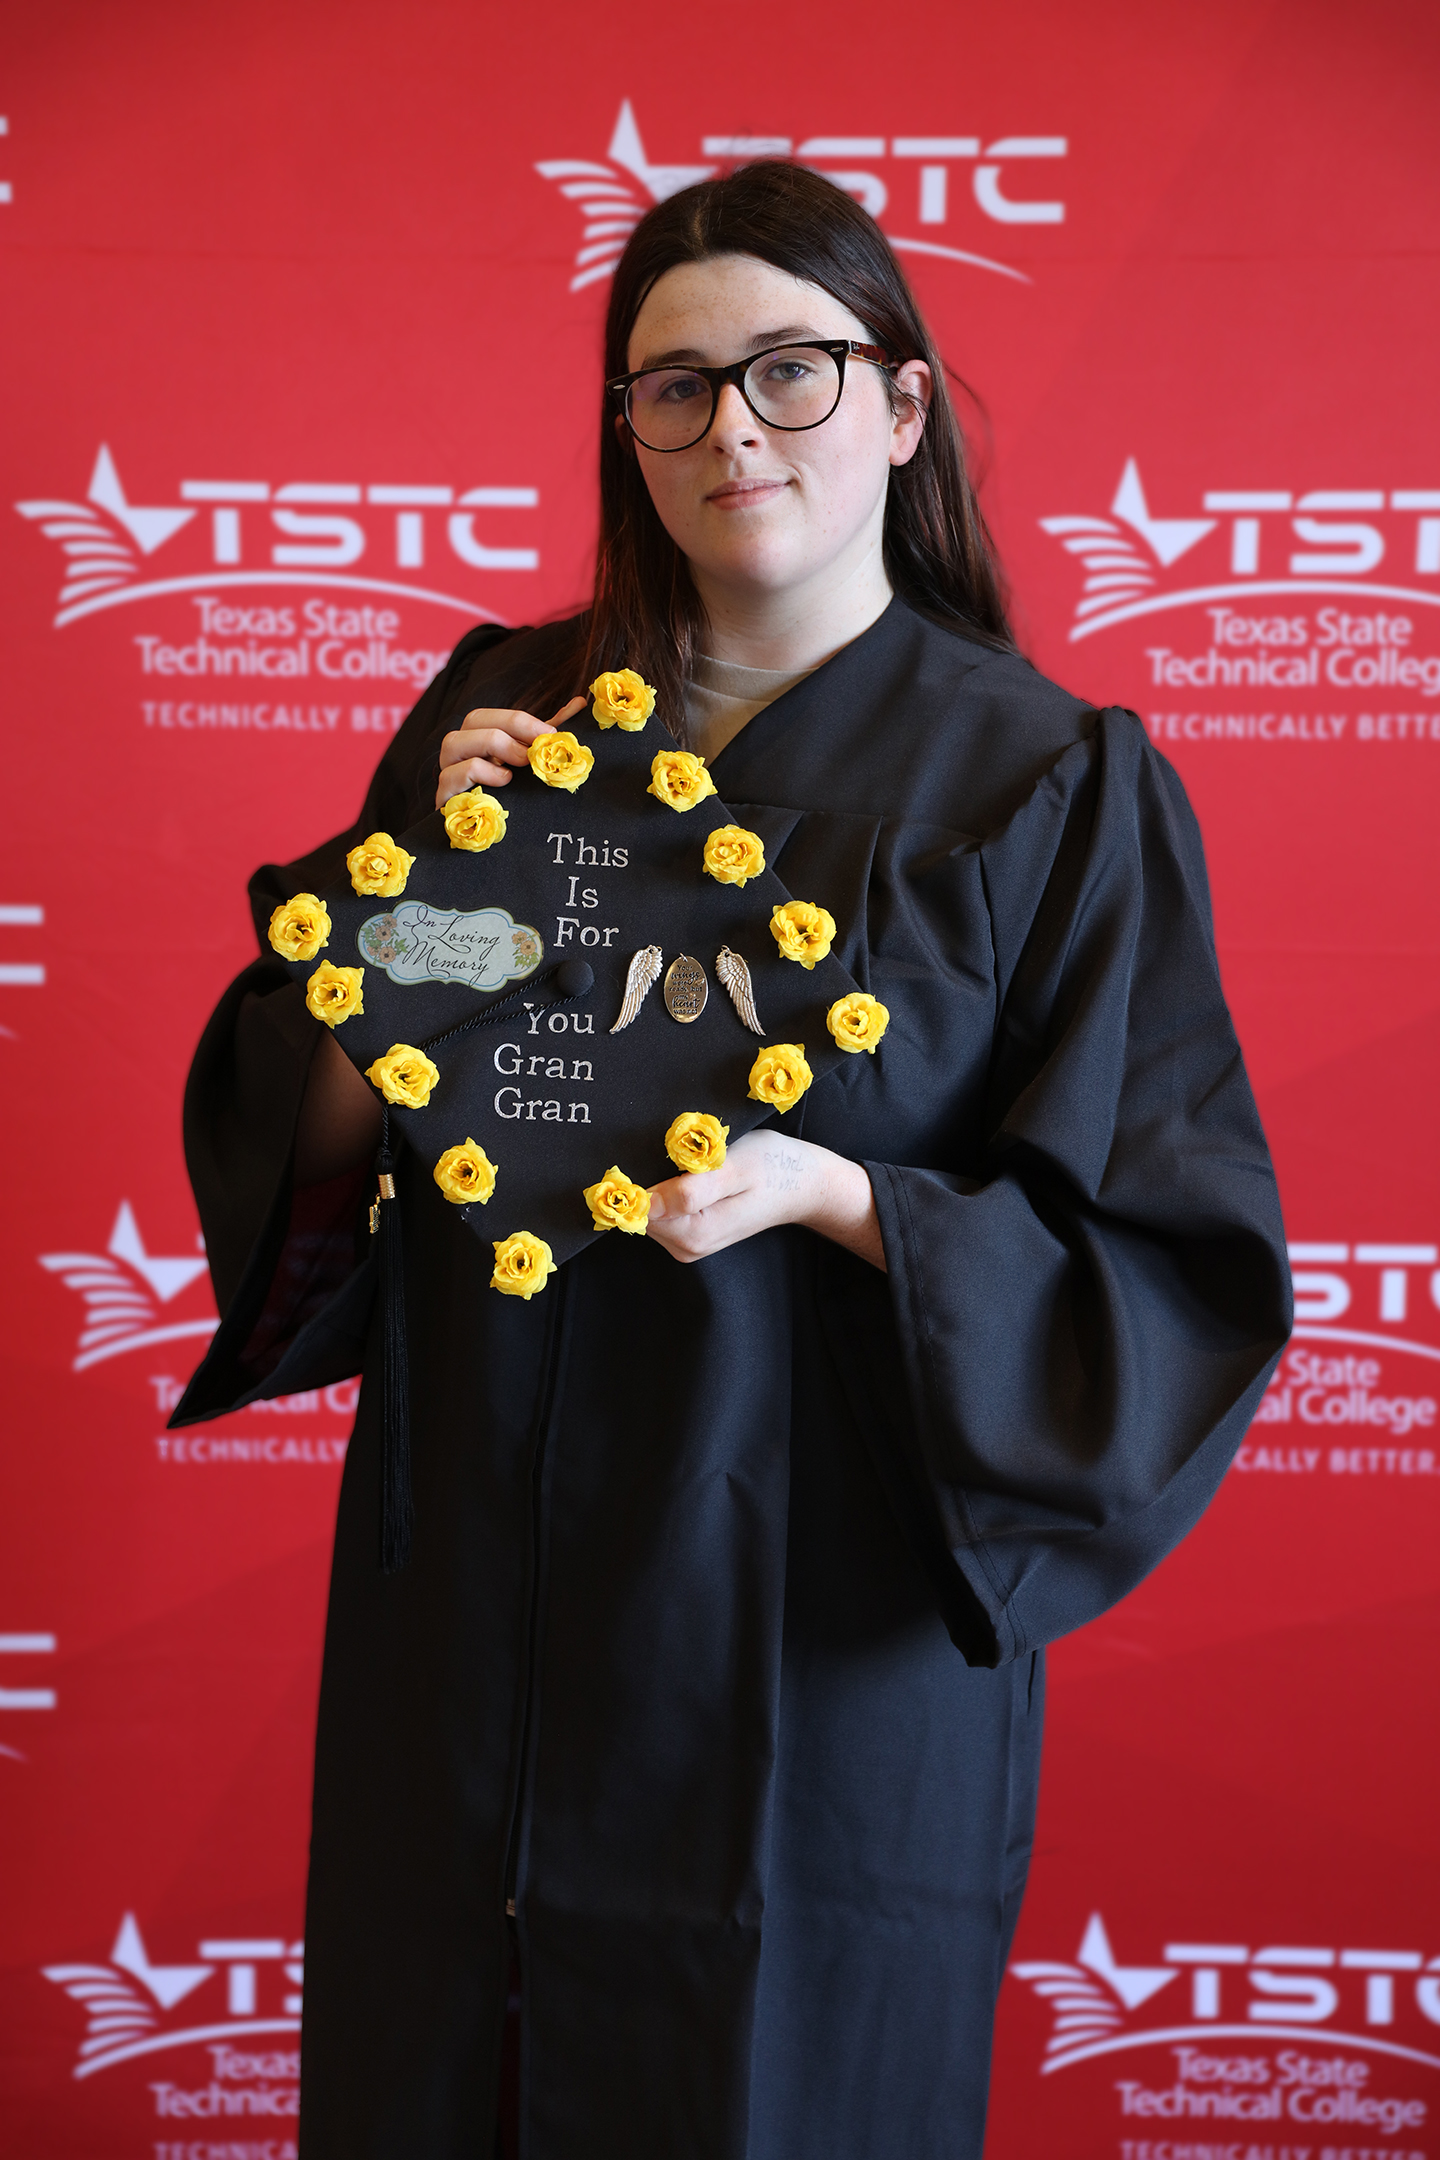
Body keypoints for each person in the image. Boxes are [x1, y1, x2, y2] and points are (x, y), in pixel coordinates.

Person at [176, 163, 1291, 2160]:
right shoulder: (501, 717)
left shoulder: (1040, 784)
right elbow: (325, 1137)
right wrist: (420, 897)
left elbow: (1165, 1270)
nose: (729, 429)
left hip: (805, 1653)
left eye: (791, 371)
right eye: (671, 387)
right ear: (626, 427)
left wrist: (836, 1194)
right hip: (476, 1652)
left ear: (902, 405)